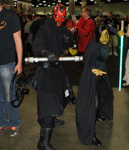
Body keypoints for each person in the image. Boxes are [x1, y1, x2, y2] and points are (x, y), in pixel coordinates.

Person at [32, 4, 74, 150]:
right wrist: (45, 53)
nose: (59, 20)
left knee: (62, 97)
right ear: (53, 14)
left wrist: (70, 39)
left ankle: (54, 117)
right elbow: (37, 45)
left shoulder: (62, 28)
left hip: (57, 70)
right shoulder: (44, 28)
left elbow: (68, 41)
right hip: (46, 70)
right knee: (47, 104)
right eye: (58, 17)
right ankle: (43, 142)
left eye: (62, 18)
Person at [76, 24, 124, 146]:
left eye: (106, 35)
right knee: (93, 104)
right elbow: (89, 61)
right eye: (102, 35)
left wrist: (117, 31)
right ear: (98, 36)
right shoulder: (95, 48)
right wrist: (93, 69)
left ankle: (98, 114)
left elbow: (107, 26)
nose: (105, 38)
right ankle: (90, 135)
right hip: (93, 76)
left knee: (106, 94)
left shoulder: (99, 41)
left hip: (102, 72)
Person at [0, 0, 23, 137]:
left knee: (9, 96)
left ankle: (15, 122)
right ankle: (3, 122)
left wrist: (19, 62)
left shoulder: (10, 16)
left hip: (8, 64)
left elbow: (18, 41)